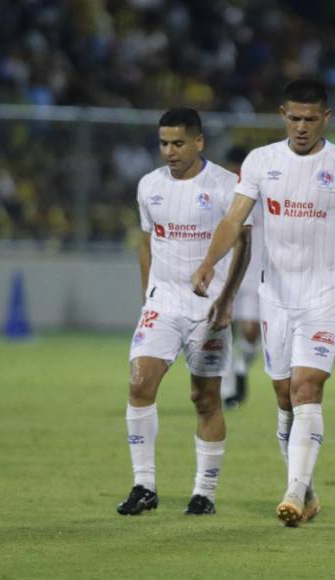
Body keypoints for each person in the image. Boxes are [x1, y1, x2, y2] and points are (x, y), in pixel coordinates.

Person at [191, 79, 335, 526]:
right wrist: (207, 263)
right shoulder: (261, 162)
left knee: (306, 389)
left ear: (326, 118)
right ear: (282, 114)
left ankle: (294, 492)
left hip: (324, 296)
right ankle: (306, 487)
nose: (301, 127)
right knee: (283, 397)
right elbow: (234, 219)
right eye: (294, 118)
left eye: (310, 119)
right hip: (274, 296)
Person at [116, 108, 251, 517]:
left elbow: (244, 247)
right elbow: (146, 243)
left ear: (199, 142)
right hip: (163, 304)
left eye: (178, 143)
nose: (169, 152)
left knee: (205, 398)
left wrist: (226, 299)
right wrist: (148, 298)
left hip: (208, 310)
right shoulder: (149, 186)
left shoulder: (228, 186)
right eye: (163, 143)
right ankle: (144, 486)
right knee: (140, 384)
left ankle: (204, 494)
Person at [220, 146, 262, 409]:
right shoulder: (220, 194)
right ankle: (227, 393)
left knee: (250, 331)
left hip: (254, 273)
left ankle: (241, 366)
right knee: (224, 335)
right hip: (225, 274)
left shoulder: (262, 195)